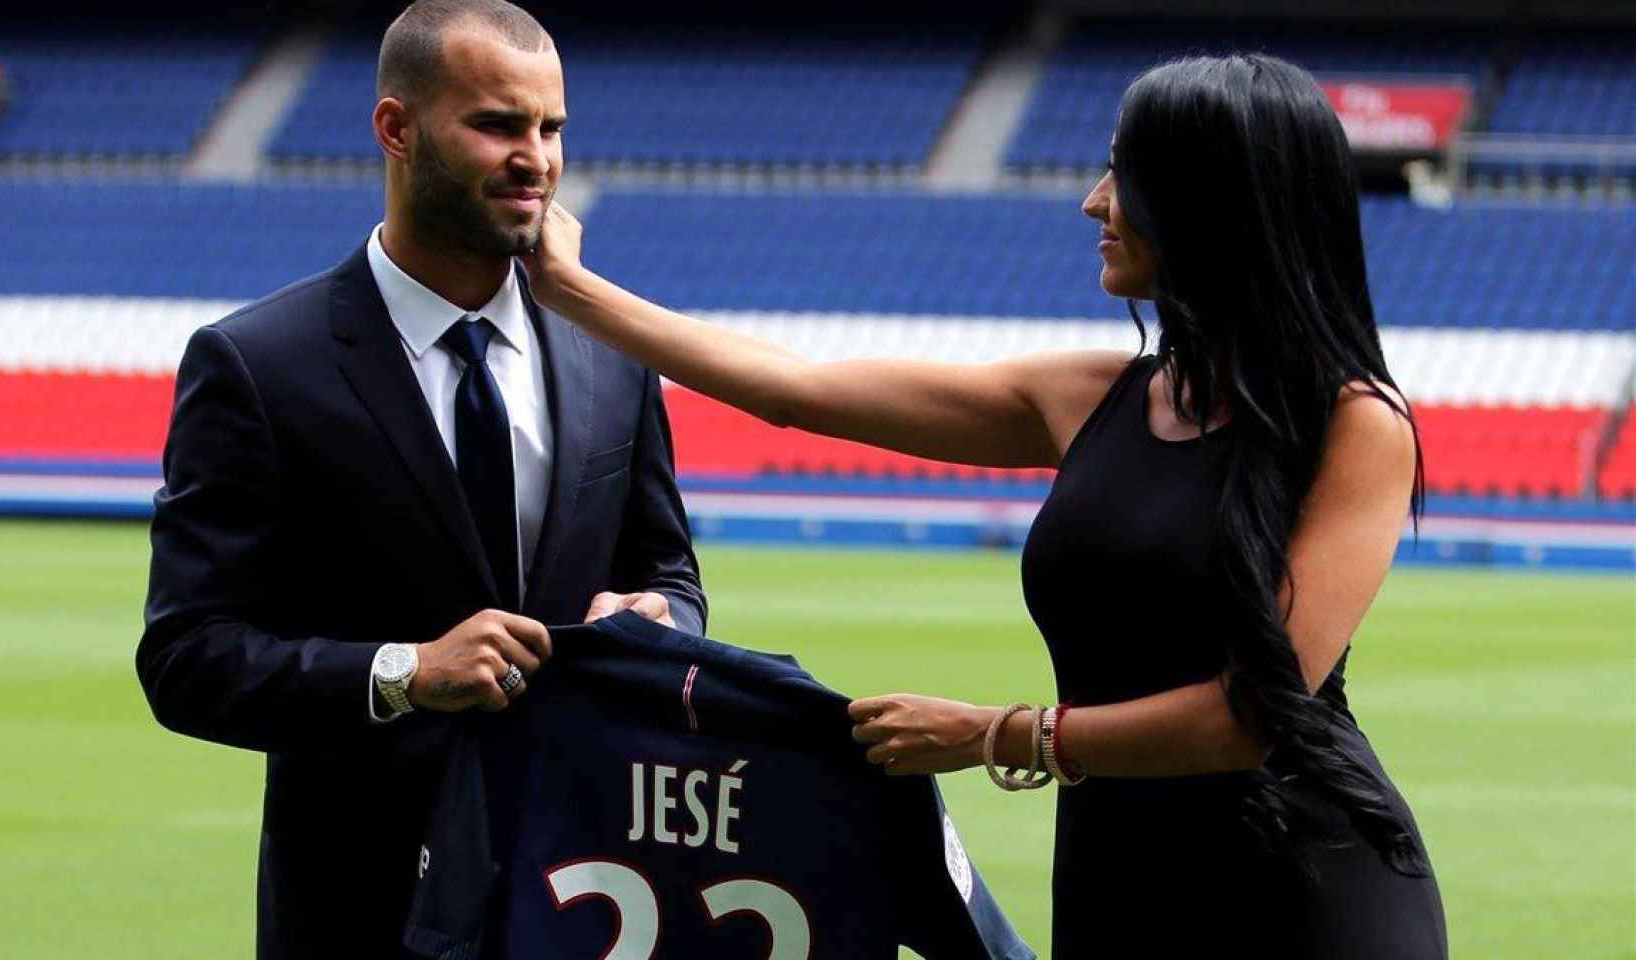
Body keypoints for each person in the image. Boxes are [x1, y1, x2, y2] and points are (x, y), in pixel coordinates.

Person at [519, 53, 1448, 957]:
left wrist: (987, 734)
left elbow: (1250, 717)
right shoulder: (1084, 397)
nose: (1093, 201)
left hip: (1306, 886)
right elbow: (795, 389)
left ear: (1211, 204)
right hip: (1115, 873)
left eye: (1124, 175)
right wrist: (570, 288)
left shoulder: (1355, 423)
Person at [136, 2, 705, 956]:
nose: (536, 157)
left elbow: (673, 576)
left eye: (550, 127)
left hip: (589, 894)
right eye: (496, 124)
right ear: (395, 130)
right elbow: (187, 659)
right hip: (362, 908)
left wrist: (662, 622)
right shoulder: (258, 365)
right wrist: (403, 673)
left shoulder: (614, 348)